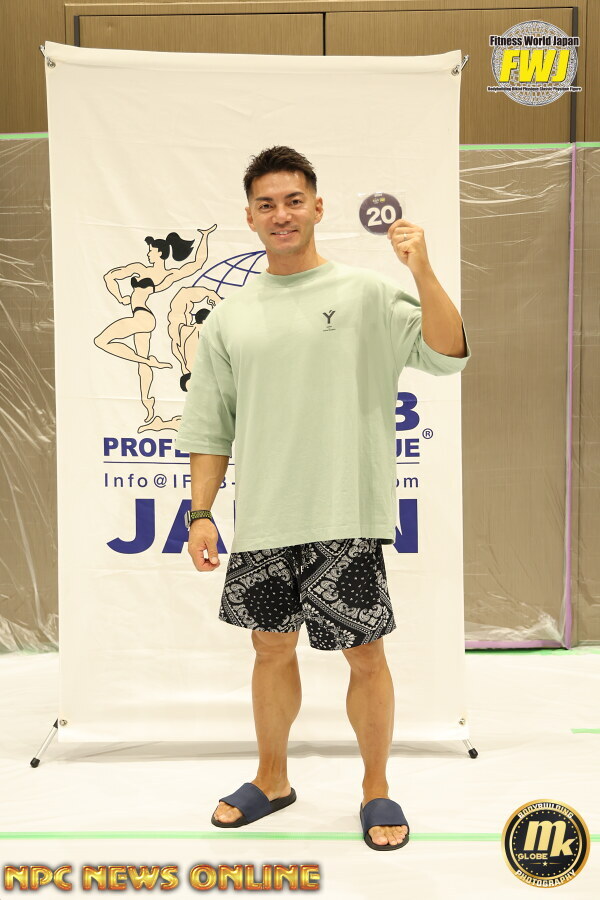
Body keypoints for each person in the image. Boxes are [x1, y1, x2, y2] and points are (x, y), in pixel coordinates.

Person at [175, 146, 471, 851]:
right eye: (267, 204)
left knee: (364, 654)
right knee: (269, 650)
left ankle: (376, 789)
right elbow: (210, 426)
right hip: (265, 517)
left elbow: (447, 352)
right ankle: (272, 779)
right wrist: (201, 512)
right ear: (250, 217)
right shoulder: (229, 318)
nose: (282, 214)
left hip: (346, 511)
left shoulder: (366, 293)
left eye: (293, 200)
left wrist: (422, 271)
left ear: (317, 206)